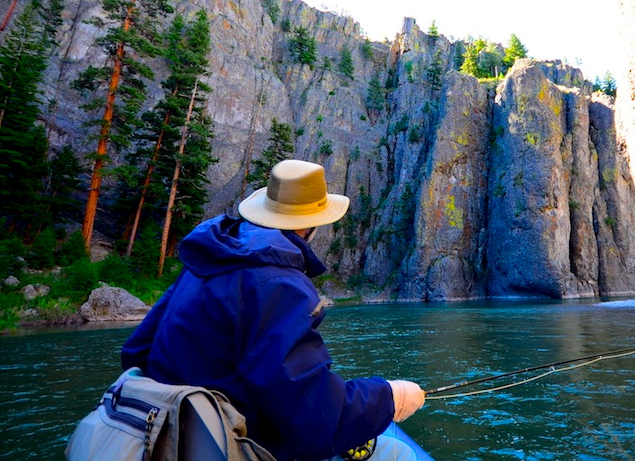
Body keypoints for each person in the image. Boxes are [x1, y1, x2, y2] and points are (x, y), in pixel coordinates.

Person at [121, 159, 426, 461]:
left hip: (168, 438)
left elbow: (136, 351)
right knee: (396, 453)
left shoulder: (205, 261)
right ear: (310, 224)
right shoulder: (279, 281)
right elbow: (314, 418)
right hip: (229, 446)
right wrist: (390, 397)